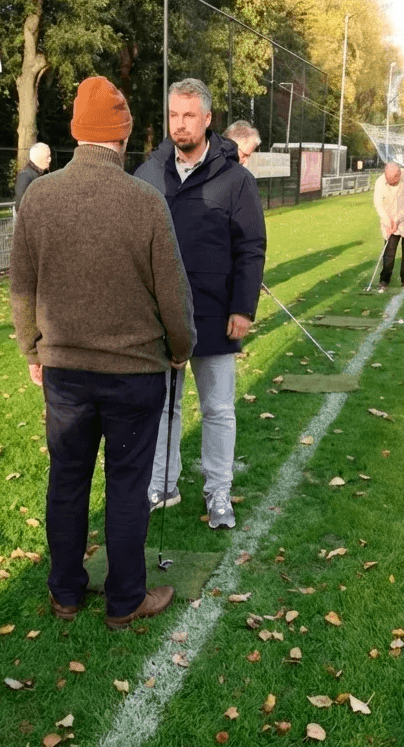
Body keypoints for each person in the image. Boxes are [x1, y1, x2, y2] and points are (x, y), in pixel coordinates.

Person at [10, 76, 196, 629]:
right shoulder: (146, 201)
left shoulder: (40, 197)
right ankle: (124, 601)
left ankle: (65, 593)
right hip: (134, 375)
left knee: (66, 482)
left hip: (65, 371)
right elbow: (174, 292)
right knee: (126, 487)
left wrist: (32, 349)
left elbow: (22, 287)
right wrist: (180, 349)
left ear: (75, 132)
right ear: (121, 135)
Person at [134, 78, 266, 529]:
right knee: (164, 407)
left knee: (218, 409)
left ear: (208, 120)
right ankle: (163, 484)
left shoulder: (236, 180)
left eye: (189, 115)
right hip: (159, 319)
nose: (180, 124)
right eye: (173, 115)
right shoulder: (148, 175)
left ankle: (219, 493)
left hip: (215, 314)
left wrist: (242, 308)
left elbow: (251, 247)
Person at [373, 162, 404, 293]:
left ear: (399, 175)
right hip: (389, 222)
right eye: (388, 180)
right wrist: (387, 221)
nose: (390, 182)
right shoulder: (380, 182)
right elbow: (378, 203)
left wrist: (398, 219)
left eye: (393, 180)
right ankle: (384, 281)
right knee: (388, 253)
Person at [14, 142, 51, 210]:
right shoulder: (25, 176)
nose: (50, 160)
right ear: (38, 157)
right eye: (47, 157)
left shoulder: (45, 173)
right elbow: (20, 205)